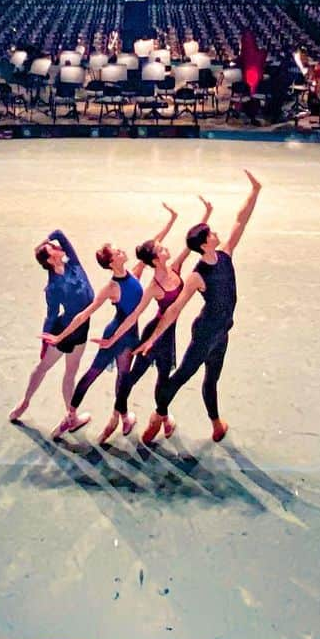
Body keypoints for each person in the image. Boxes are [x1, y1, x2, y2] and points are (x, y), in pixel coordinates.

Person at [139, 170, 262, 445]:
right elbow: (174, 310)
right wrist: (154, 337)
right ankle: (157, 416)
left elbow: (240, 221)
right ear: (204, 243)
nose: (216, 233)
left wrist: (255, 192)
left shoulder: (225, 253)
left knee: (212, 379)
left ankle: (216, 423)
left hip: (222, 331)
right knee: (181, 376)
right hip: (205, 332)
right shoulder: (197, 275)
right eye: (211, 233)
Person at [43, 205, 178, 438]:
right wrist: (60, 336)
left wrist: (172, 220)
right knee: (102, 375)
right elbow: (85, 313)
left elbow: (153, 244)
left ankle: (116, 418)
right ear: (112, 262)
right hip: (119, 334)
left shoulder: (134, 273)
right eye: (117, 252)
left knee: (112, 376)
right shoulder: (111, 287)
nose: (122, 252)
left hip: (123, 334)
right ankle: (80, 416)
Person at [90, 196, 214, 444]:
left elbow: (191, 245)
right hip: (153, 335)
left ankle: (164, 418)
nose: (166, 248)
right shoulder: (154, 287)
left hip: (167, 337)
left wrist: (206, 215)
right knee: (132, 377)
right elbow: (135, 315)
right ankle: (115, 417)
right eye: (161, 249)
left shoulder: (176, 267)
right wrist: (112, 339)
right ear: (156, 258)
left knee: (162, 379)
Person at [9, 229, 94, 427]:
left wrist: (42, 243)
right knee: (43, 367)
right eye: (53, 249)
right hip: (64, 332)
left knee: (71, 373)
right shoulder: (53, 287)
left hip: (82, 329)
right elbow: (52, 315)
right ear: (49, 260)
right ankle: (25, 402)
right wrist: (45, 343)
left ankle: (71, 416)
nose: (58, 247)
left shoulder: (73, 263)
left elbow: (59, 233)